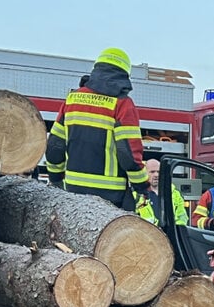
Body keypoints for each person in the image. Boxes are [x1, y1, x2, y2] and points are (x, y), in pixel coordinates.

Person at [46, 48, 148, 210]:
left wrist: (56, 178)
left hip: (73, 189)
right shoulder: (122, 104)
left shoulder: (72, 100)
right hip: (111, 194)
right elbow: (128, 153)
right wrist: (142, 186)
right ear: (124, 74)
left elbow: (55, 145)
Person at [135, 158, 188, 226]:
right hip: (145, 234)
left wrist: (174, 231)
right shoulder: (137, 195)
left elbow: (182, 217)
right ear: (145, 173)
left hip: (169, 234)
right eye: (152, 172)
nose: (156, 175)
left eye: (158, 172)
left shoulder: (175, 194)